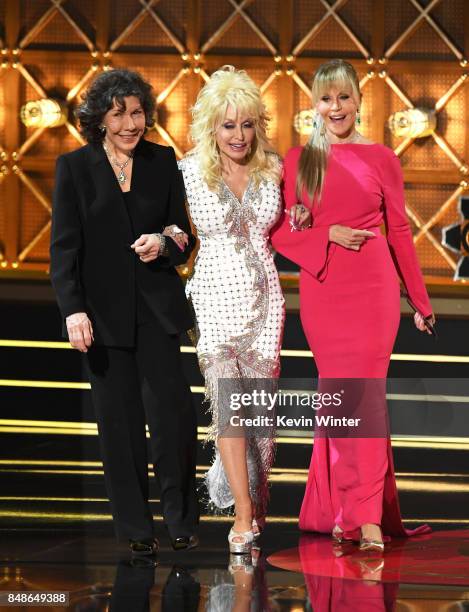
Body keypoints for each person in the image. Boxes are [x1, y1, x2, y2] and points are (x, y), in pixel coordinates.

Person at [271, 59, 435, 551]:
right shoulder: (299, 159)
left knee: (363, 398)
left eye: (344, 97)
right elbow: (279, 230)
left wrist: (419, 300)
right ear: (314, 105)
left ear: (360, 100)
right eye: (326, 98)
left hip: (373, 289)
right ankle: (347, 507)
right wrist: (320, 231)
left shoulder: (384, 157)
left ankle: (362, 516)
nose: (335, 107)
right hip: (324, 289)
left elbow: (401, 233)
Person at [50, 68, 199, 556]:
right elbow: (64, 249)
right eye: (120, 114)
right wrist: (73, 310)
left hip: (157, 312)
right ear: (100, 119)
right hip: (101, 319)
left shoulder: (162, 160)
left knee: (174, 421)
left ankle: (180, 521)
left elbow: (183, 233)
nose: (132, 124)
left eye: (137, 113)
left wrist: (165, 241)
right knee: (120, 429)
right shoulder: (74, 168)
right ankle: (137, 529)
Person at [178, 66, 287, 554]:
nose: (238, 135)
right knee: (230, 410)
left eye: (246, 124)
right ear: (211, 128)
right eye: (228, 125)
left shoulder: (275, 167)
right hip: (215, 300)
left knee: (261, 418)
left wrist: (304, 217)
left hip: (266, 302)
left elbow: (291, 225)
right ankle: (241, 515)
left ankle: (255, 505)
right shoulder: (185, 171)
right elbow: (172, 230)